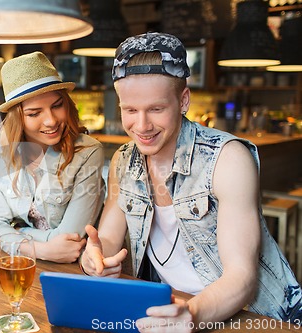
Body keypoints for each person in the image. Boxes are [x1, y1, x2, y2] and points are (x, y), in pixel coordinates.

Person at [80, 32, 302, 331]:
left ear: (183, 100)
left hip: (255, 318)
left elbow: (242, 278)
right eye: (130, 110)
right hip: (172, 309)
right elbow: (106, 239)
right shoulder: (123, 161)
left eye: (156, 109)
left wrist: (192, 314)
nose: (142, 126)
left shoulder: (227, 159)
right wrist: (94, 258)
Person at [0, 51, 105, 263]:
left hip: (75, 270)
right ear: (16, 118)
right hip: (24, 264)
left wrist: (14, 229)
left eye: (57, 106)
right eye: (34, 113)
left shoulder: (88, 152)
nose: (50, 121)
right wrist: (40, 249)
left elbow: (70, 239)